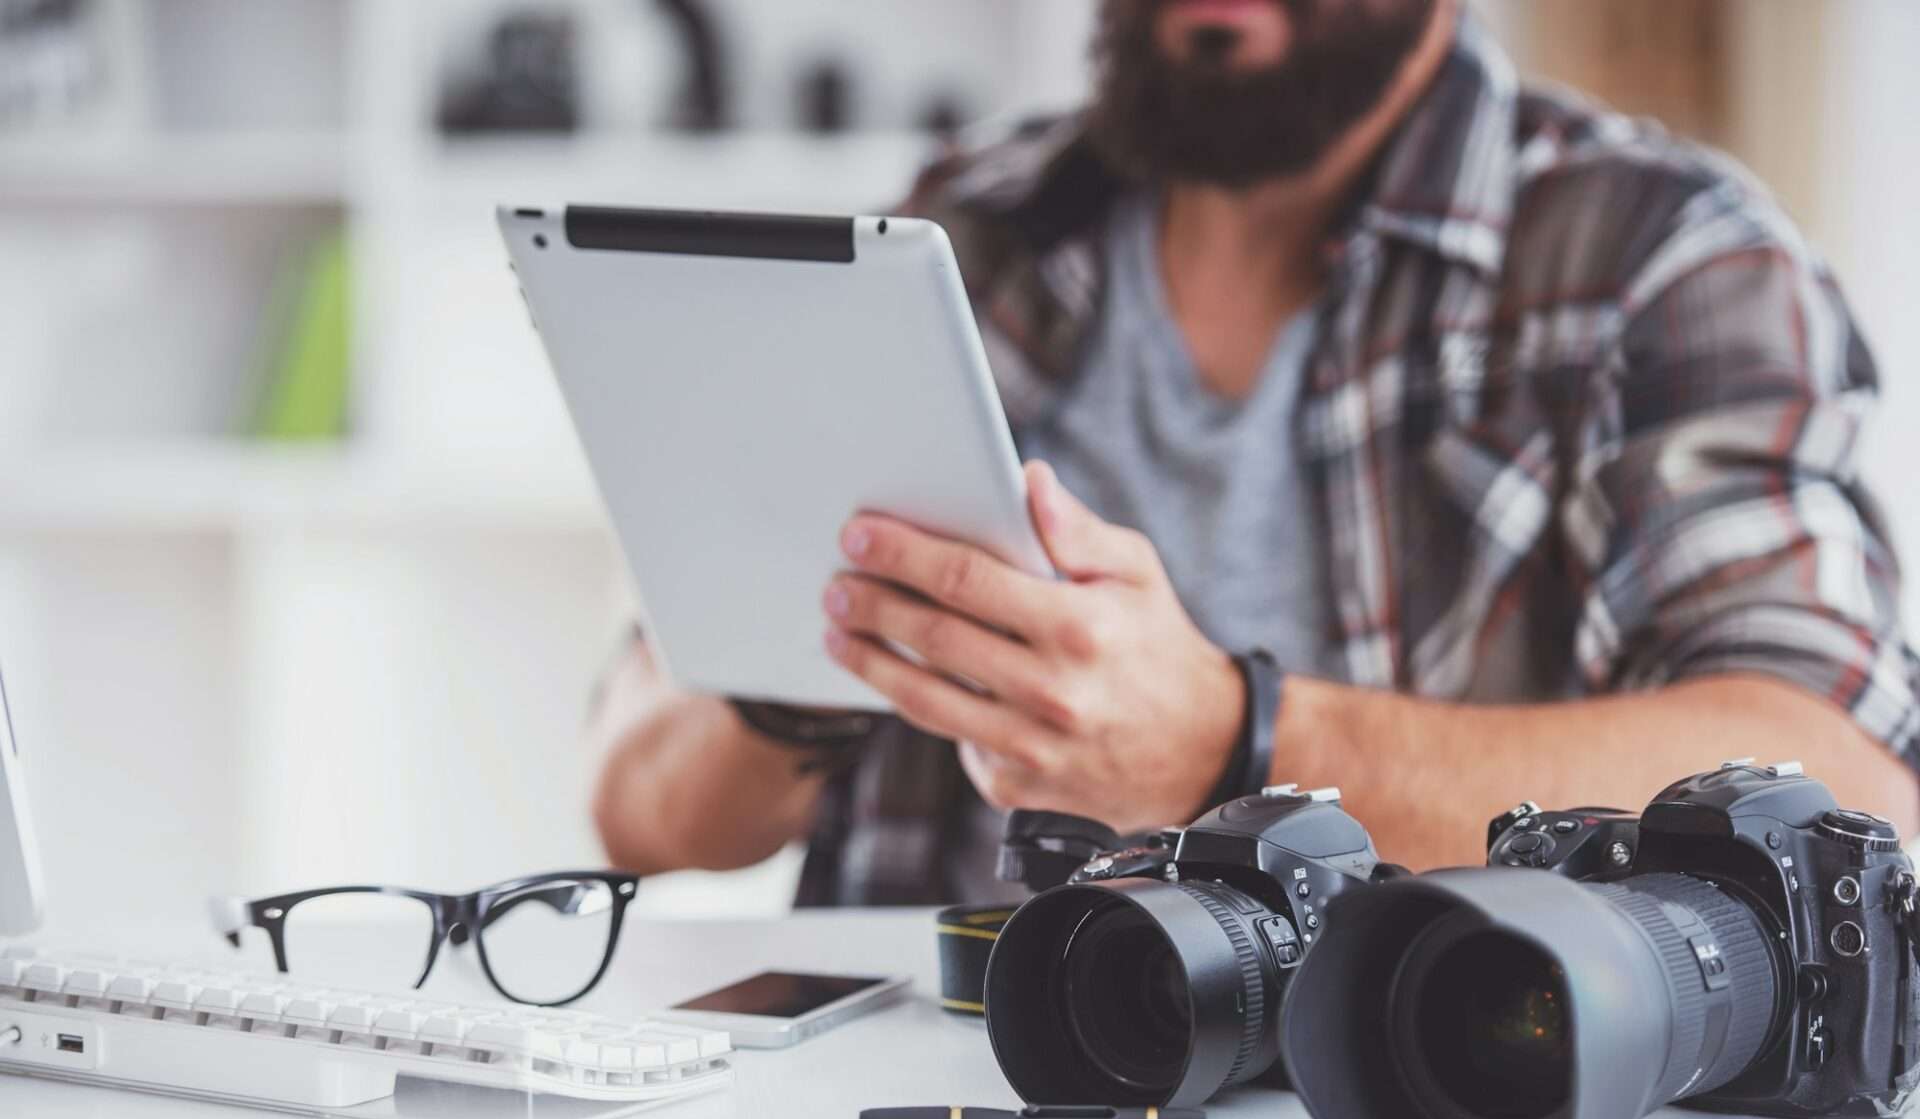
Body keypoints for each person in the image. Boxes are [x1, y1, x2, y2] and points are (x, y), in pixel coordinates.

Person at [589, 0, 1920, 902]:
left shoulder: (1660, 259)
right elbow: (636, 806)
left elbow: (1849, 800)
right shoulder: (958, 234)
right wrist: (815, 657)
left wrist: (1237, 743)